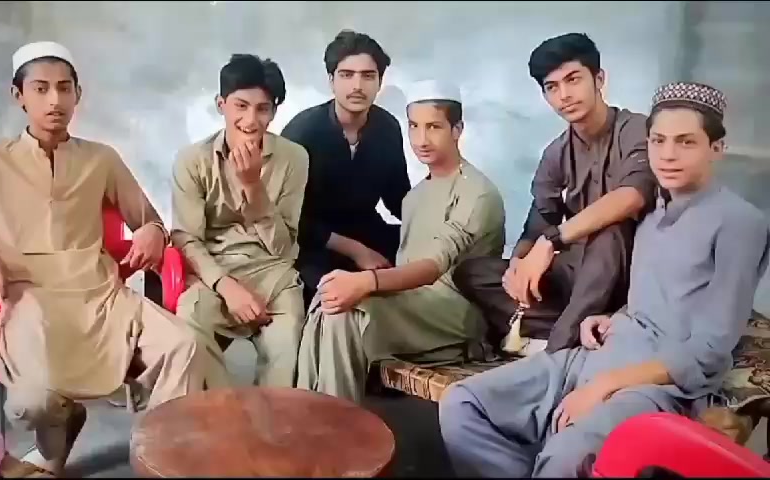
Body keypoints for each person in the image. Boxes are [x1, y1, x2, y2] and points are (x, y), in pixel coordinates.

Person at [0, 41, 229, 476]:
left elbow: (151, 222)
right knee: (33, 402)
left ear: (77, 95)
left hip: (103, 298)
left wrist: (152, 232)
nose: (55, 100)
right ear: (18, 96)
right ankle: (61, 428)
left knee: (185, 347)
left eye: (64, 88)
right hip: (25, 302)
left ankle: (162, 462)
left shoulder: (101, 159)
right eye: (41, 88)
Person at [438, 81, 770, 478]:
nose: (668, 155)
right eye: (658, 141)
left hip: (655, 384)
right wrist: (614, 316)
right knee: (462, 404)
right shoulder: (651, 212)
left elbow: (710, 352)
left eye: (686, 142)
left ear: (717, 148)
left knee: (567, 454)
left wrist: (604, 385)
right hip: (598, 353)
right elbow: (663, 292)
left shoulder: (740, 223)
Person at [296, 80, 506, 403]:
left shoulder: (477, 193)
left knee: (347, 312)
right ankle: (312, 418)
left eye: (434, 127)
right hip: (414, 308)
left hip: (456, 317)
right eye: (414, 126)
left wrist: (366, 281)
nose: (421, 139)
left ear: (457, 130)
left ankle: (337, 427)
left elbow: (432, 267)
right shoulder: (414, 197)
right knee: (330, 301)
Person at [452, 33, 658, 355]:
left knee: (610, 231)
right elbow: (539, 222)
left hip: (632, 273)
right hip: (578, 278)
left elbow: (632, 196)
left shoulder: (637, 130)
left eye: (573, 79)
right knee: (472, 273)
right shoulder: (556, 153)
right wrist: (518, 268)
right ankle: (577, 329)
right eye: (552, 87)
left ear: (599, 79)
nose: (564, 95)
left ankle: (557, 350)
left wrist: (552, 241)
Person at [171, 54, 309, 388]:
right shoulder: (192, 160)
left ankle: (272, 416)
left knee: (288, 345)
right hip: (214, 274)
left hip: (274, 275)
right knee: (189, 324)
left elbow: (283, 247)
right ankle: (225, 411)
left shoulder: (294, 158)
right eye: (241, 106)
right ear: (221, 105)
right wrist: (226, 286)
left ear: (273, 112)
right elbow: (186, 238)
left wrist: (252, 186)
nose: (251, 119)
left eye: (263, 109)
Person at [280, 30, 412, 306]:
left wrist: (435, 221)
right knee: (330, 295)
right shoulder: (302, 132)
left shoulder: (387, 127)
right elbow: (286, 217)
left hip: (366, 229)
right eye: (347, 75)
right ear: (331, 81)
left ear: (380, 81)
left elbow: (398, 198)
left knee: (426, 263)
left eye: (368, 76)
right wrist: (356, 251)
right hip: (312, 241)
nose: (357, 86)